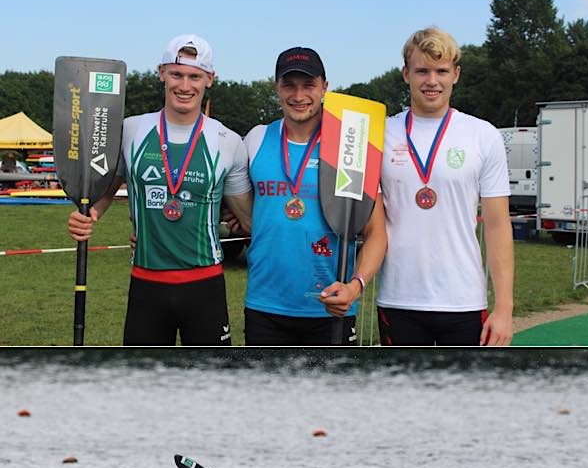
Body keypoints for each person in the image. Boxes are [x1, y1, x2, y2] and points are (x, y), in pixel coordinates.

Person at [67, 34, 253, 346]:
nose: (184, 85)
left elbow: (248, 219)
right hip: (146, 285)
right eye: (177, 74)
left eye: (195, 76)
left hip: (205, 286)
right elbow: (107, 188)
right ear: (161, 73)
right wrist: (90, 214)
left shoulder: (229, 141)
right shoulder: (130, 130)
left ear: (210, 79)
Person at [378, 27, 513, 347]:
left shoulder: (483, 135)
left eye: (441, 71)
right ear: (405, 74)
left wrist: (505, 308)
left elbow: (497, 225)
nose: (432, 81)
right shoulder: (381, 133)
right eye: (422, 70)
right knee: (405, 398)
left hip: (463, 300)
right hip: (399, 299)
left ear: (456, 74)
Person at [243, 46, 387, 346]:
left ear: (325, 88)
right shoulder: (256, 139)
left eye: (308, 85)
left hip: (331, 306)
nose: (299, 96)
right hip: (265, 307)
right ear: (276, 88)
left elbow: (376, 233)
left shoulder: (351, 145)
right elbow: (242, 209)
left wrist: (356, 286)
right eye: (289, 85)